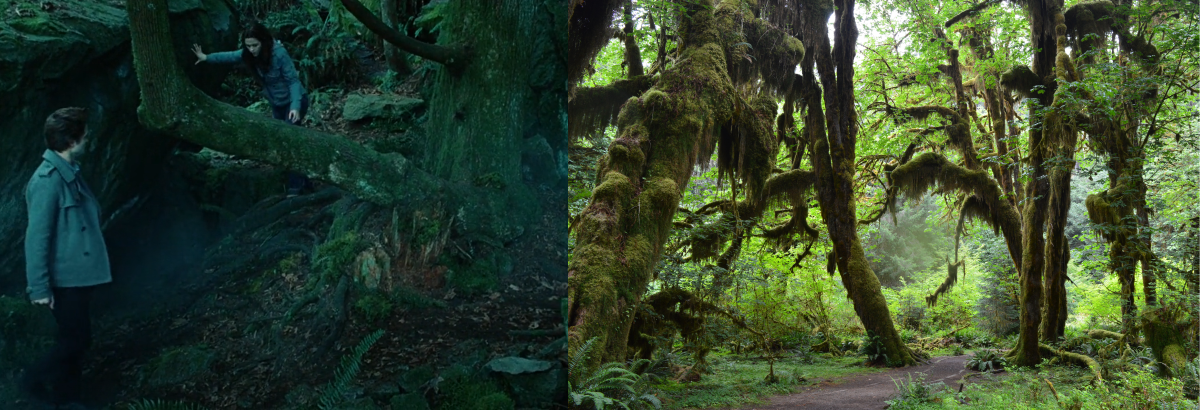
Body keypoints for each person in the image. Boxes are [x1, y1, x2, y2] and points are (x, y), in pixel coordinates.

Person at [19, 107, 112, 409]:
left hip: (80, 275)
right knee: (76, 340)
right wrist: (40, 288)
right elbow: (37, 239)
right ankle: (30, 380)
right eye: (84, 134)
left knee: (74, 340)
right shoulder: (47, 180)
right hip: (65, 279)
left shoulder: (69, 171)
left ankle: (68, 399)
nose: (88, 138)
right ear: (72, 141)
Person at [192, 22, 312, 197]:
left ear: (264, 41)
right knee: (282, 141)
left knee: (290, 142)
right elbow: (230, 56)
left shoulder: (279, 54)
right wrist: (206, 57)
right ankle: (305, 182)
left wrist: (295, 108)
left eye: (255, 45)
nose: (252, 49)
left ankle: (295, 188)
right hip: (277, 103)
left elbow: (293, 81)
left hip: (295, 102)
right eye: (248, 46)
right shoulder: (248, 54)